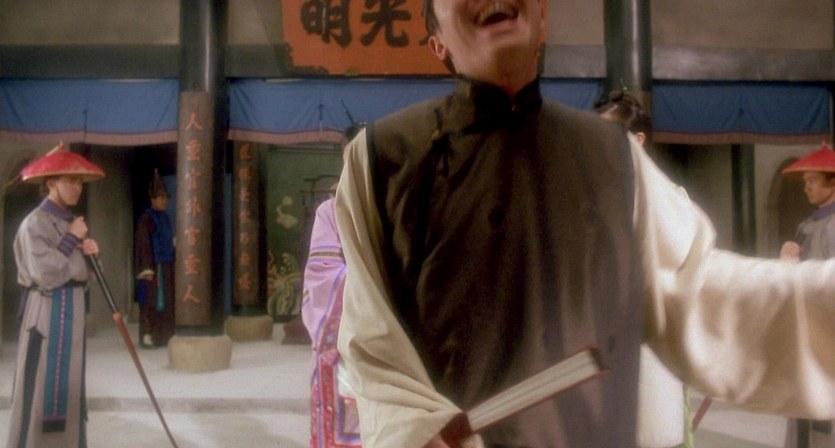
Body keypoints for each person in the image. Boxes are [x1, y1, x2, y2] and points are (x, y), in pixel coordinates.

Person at [334, 0, 835, 447]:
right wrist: (412, 429)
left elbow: (697, 292)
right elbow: (373, 345)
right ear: (437, 43)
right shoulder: (383, 158)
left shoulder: (611, 155)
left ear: (542, 16)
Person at [595, 90, 686, 448]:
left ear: (638, 139)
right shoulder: (592, 194)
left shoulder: (669, 197)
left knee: (650, 433)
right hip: (597, 344)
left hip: (647, 341)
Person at [6, 143, 104, 448]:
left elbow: (83, 275)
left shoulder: (70, 221)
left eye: (80, 182)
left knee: (69, 388)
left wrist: (92, 256)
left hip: (71, 312)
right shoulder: (34, 223)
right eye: (70, 181)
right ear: (51, 183)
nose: (77, 188)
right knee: (40, 389)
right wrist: (72, 239)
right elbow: (47, 273)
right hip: (46, 313)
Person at [301, 125, 364, 448]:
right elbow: (323, 277)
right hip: (344, 345)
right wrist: (376, 285)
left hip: (391, 348)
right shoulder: (329, 212)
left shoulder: (398, 207)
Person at [779, 143, 835, 448]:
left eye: (813, 180)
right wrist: (787, 262)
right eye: (805, 182)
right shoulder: (806, 225)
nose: (806, 187)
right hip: (806, 328)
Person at [134, 169, 176, 348]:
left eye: (166, 198)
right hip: (152, 267)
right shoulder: (146, 219)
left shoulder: (165, 218)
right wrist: (147, 269)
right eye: (160, 197)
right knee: (151, 301)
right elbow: (143, 245)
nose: (164, 201)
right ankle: (148, 335)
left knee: (166, 301)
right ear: (152, 199)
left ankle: (164, 335)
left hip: (165, 265)